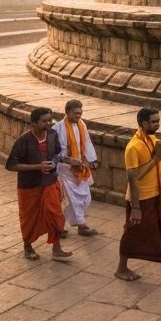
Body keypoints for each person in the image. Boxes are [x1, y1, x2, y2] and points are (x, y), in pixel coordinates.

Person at [114, 107, 161, 282]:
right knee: (131, 233)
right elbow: (133, 178)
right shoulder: (134, 146)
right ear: (143, 123)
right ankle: (121, 268)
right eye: (154, 121)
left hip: (155, 195)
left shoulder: (153, 140)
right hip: (140, 198)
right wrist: (136, 208)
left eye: (158, 120)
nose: (157, 124)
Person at [5, 107, 72, 262]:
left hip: (49, 182)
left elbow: (56, 155)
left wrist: (66, 160)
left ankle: (57, 249)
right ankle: (28, 246)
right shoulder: (24, 140)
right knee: (29, 218)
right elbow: (11, 165)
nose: (48, 123)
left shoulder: (53, 135)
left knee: (56, 215)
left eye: (50, 120)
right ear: (33, 123)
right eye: (44, 121)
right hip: (29, 185)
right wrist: (37, 167)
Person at [53, 99, 100, 237]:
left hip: (81, 167)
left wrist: (91, 160)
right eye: (75, 113)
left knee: (85, 197)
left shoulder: (81, 124)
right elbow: (56, 150)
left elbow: (87, 143)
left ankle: (63, 224)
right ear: (67, 112)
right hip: (65, 168)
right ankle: (81, 225)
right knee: (72, 198)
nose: (78, 116)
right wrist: (68, 160)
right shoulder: (58, 128)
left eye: (80, 113)